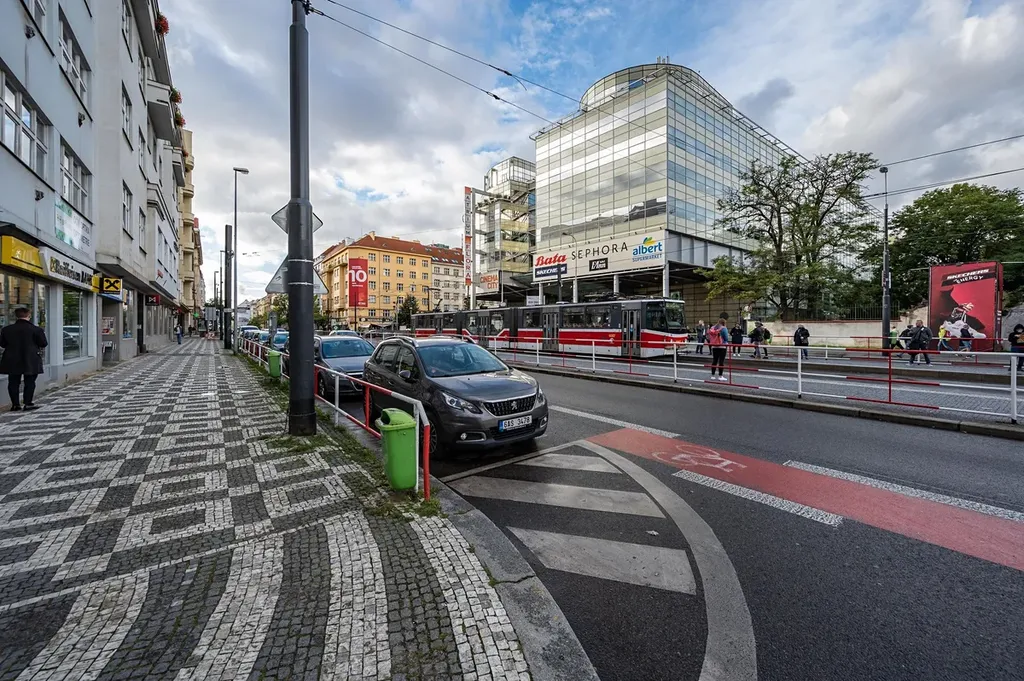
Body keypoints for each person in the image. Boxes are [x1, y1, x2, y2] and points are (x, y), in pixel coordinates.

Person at [0, 308, 48, 412]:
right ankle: (28, 403)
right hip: (31, 358)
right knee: (30, 381)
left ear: (16, 316)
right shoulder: (36, 329)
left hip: (12, 359)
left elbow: (2, 344)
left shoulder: (6, 329)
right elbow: (43, 343)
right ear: (29, 315)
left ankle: (15, 405)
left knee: (13, 382)